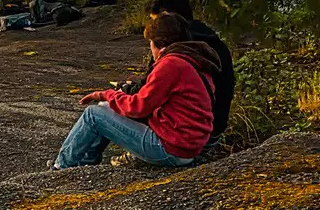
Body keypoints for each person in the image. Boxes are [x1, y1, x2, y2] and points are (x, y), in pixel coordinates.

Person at [53, 12, 220, 169]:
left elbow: (139, 107)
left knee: (93, 114)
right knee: (105, 107)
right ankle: (85, 163)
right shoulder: (194, 61)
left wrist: (106, 94)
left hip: (171, 149)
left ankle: (62, 167)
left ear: (158, 44)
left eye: (151, 45)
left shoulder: (171, 64)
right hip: (188, 146)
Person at [147, 0, 236, 145]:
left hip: (188, 135)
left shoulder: (175, 43)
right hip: (213, 128)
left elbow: (148, 93)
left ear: (167, 16)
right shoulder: (209, 39)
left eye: (155, 22)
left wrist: (125, 90)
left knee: (105, 111)